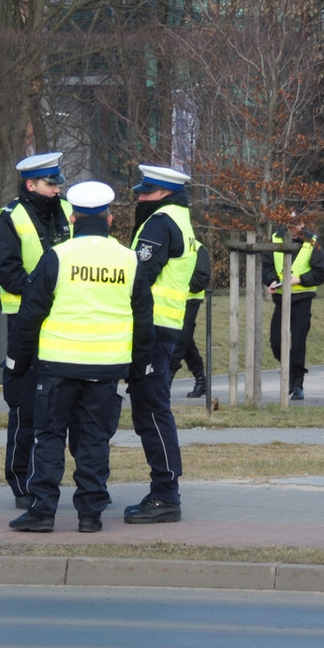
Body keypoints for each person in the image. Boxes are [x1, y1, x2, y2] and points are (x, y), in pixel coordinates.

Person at [5, 181, 154, 533]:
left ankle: (42, 511)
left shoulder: (57, 257)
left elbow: (30, 315)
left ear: (72, 218)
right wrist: (138, 370)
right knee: (94, 439)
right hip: (105, 369)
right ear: (110, 218)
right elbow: (143, 320)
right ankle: (90, 514)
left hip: (57, 365)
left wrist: (17, 363)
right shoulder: (128, 260)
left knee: (50, 436)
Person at [0, 152, 73, 510]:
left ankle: (77, 480)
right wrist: (41, 293)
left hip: (67, 319)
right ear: (31, 185)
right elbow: (7, 271)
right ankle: (21, 481)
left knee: (66, 405)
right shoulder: (8, 219)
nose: (56, 190)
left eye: (58, 184)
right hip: (24, 322)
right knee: (24, 406)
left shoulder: (70, 211)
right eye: (50, 184)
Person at [124, 164, 197, 524]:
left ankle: (166, 494)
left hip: (151, 329)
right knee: (152, 409)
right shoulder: (181, 219)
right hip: (165, 327)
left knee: (152, 411)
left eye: (146, 192)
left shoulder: (160, 223)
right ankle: (164, 491)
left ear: (164, 193)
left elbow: (137, 277)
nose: (139, 198)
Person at [261, 215, 324, 400]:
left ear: (303, 224)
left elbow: (321, 272)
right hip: (281, 299)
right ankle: (291, 370)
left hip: (302, 298)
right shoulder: (275, 239)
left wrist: (299, 280)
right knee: (276, 342)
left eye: (296, 224)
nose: (292, 228)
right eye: (289, 224)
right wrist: (271, 281)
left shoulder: (312, 242)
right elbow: (266, 266)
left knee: (298, 343)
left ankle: (297, 384)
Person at [169, 239, 210, 398]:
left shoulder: (198, 247)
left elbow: (202, 278)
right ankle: (201, 379)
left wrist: (180, 286)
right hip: (173, 300)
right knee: (186, 340)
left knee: (181, 338)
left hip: (190, 299)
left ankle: (167, 379)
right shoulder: (172, 243)